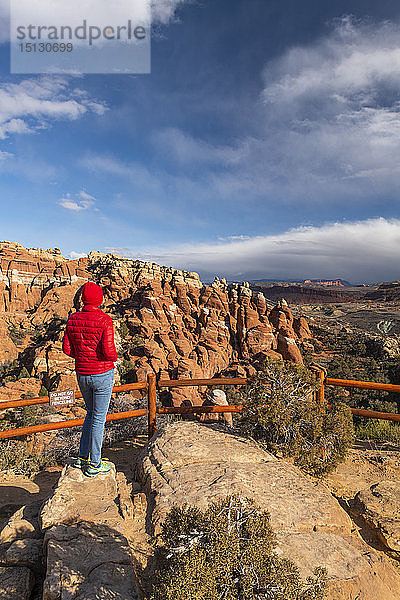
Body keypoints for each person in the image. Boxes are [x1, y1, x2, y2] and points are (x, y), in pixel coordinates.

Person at [62, 281, 118, 477]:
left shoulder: (72, 319)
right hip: (102, 374)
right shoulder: (105, 320)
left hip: (82, 374)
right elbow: (109, 352)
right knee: (98, 418)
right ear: (99, 299)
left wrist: (83, 356)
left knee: (90, 413)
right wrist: (113, 357)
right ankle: (94, 464)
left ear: (83, 299)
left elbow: (67, 349)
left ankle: (82, 457)